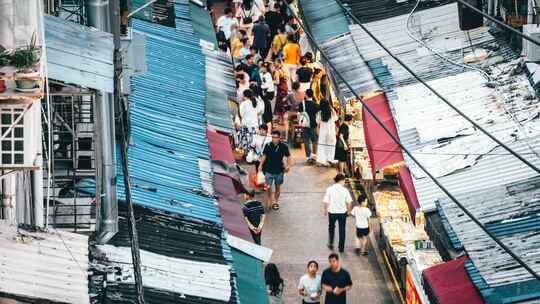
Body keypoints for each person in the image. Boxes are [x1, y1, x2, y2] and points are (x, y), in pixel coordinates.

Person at [259, 130, 292, 210]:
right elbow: (264, 156)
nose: (274, 139)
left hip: (279, 171)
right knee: (268, 187)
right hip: (268, 170)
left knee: (277, 187)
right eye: (273, 137)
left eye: (276, 137)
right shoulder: (268, 145)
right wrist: (260, 165)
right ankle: (269, 199)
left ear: (279, 138)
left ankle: (276, 201)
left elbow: (288, 156)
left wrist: (288, 166)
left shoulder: (284, 146)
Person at [323, 174, 353, 253]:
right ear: (341, 180)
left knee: (331, 227)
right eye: (344, 181)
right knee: (342, 229)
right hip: (342, 213)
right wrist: (349, 211)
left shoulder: (329, 189)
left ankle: (331, 243)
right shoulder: (345, 190)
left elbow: (326, 201)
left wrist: (325, 210)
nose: (344, 182)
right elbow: (349, 202)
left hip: (332, 212)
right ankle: (341, 247)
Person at [298, 89, 320, 163]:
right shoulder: (316, 105)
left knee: (306, 141)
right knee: (314, 141)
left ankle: (308, 157)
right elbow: (318, 116)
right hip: (313, 125)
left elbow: (300, 114)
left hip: (304, 125)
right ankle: (313, 156)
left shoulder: (302, 104)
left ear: (306, 95)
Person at [316, 99, 338, 166]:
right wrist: (331, 108)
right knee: (331, 146)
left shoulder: (319, 113)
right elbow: (336, 118)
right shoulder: (332, 112)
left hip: (323, 131)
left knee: (322, 146)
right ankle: (330, 159)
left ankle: (323, 160)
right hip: (331, 132)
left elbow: (317, 122)